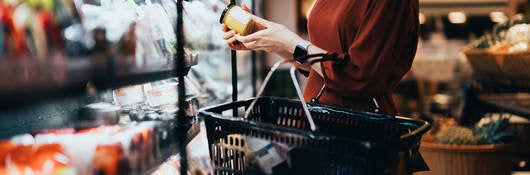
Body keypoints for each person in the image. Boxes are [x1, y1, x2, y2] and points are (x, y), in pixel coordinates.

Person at [223, 0, 418, 116]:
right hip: (317, 121)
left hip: (357, 131)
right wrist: (269, 40)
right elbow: (328, 67)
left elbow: (360, 76)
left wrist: (290, 42)